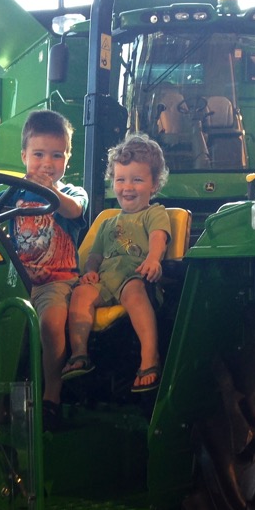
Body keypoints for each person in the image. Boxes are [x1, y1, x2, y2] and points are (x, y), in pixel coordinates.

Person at [0, 109, 88, 428]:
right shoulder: (15, 191)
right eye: (39, 154)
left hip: (55, 282)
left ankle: (52, 394)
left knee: (50, 323)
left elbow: (74, 209)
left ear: (67, 158)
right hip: (17, 281)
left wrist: (52, 191)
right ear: (24, 155)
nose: (47, 163)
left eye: (57, 155)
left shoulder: (72, 193)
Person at [62, 134, 170, 394]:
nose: (127, 187)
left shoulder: (154, 213)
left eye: (137, 180)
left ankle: (150, 358)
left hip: (136, 275)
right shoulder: (107, 222)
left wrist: (153, 259)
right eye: (120, 180)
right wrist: (90, 272)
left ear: (154, 184)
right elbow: (95, 255)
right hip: (106, 278)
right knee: (80, 293)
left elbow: (159, 238)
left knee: (134, 292)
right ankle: (79, 354)